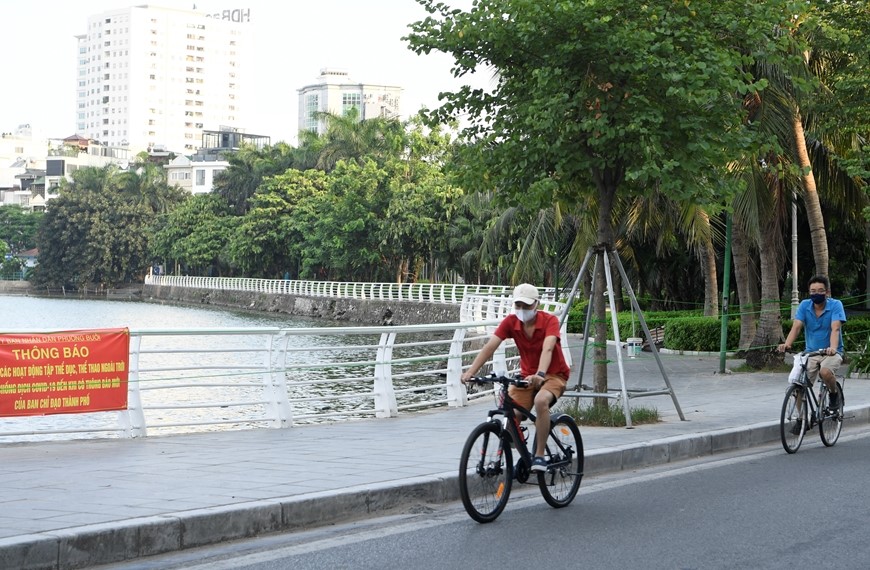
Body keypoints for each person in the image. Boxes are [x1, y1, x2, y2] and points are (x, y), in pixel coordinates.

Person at [461, 283, 571, 472]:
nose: (521, 310)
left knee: (541, 401)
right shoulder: (511, 322)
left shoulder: (549, 321)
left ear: (536, 304)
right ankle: (519, 447)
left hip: (553, 374)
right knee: (510, 416)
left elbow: (549, 348)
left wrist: (541, 374)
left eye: (526, 306)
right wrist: (471, 372)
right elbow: (490, 346)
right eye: (518, 305)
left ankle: (539, 456)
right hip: (527, 376)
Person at [777, 275, 846, 430]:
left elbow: (835, 328)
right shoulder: (804, 305)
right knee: (798, 383)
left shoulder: (836, 305)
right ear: (808, 292)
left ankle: (834, 394)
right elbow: (796, 327)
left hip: (831, 352)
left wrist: (833, 347)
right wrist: (787, 344)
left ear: (827, 292)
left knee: (826, 372)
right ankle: (802, 420)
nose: (816, 293)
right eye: (813, 291)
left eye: (820, 290)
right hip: (811, 353)